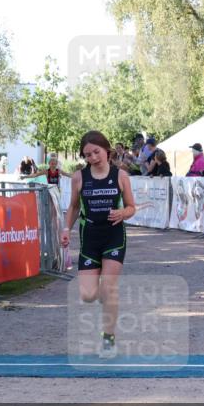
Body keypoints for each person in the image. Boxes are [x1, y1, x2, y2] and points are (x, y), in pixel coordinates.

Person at [62, 130, 137, 358]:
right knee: (88, 295)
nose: (93, 158)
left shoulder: (121, 176)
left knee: (109, 288)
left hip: (114, 235)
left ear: (106, 149)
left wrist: (123, 212)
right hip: (90, 236)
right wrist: (66, 229)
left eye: (96, 152)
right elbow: (74, 207)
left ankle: (108, 338)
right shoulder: (79, 177)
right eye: (87, 155)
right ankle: (104, 301)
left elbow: (132, 207)